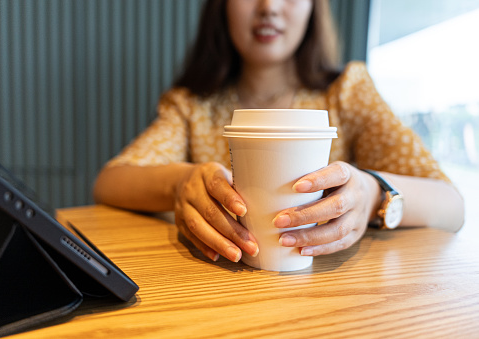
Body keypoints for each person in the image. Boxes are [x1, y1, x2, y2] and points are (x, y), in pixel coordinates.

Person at [93, 0, 464, 264]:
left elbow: (452, 205)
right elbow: (110, 181)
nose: (268, 6)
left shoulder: (347, 91)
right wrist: (180, 183)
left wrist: (370, 194)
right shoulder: (193, 104)